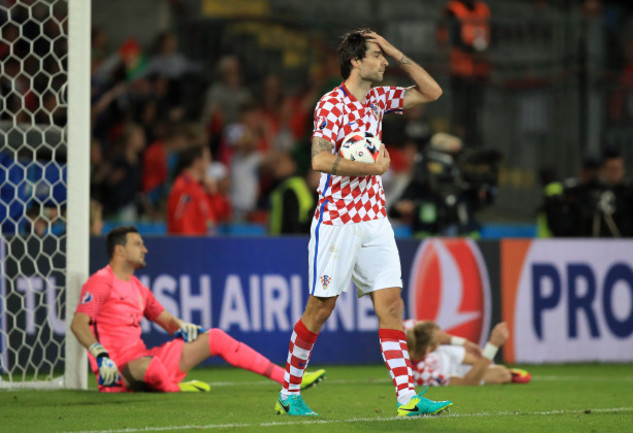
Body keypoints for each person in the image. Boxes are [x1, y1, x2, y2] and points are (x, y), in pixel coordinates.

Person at [275, 28, 451, 417]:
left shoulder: (377, 99)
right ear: (356, 61)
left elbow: (432, 91)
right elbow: (319, 162)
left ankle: (408, 399)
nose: (384, 62)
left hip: (374, 217)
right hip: (337, 221)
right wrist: (372, 167)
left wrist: (390, 45)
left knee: (391, 303)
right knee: (320, 309)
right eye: (376, 55)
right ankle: (289, 393)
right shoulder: (330, 105)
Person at [70, 226, 326, 393]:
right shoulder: (101, 282)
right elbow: (79, 324)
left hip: (144, 359)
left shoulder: (138, 288)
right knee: (152, 368)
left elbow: (167, 320)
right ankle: (175, 387)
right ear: (119, 250)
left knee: (214, 337)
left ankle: (290, 378)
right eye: (138, 244)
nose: (145, 249)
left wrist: (183, 327)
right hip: (117, 371)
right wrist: (100, 354)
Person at [405, 320, 531, 386]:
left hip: (449, 357)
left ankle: (484, 366)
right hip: (454, 373)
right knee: (502, 374)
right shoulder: (423, 375)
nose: (442, 339)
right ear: (428, 349)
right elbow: (466, 383)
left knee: (485, 363)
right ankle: (488, 369)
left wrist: (464, 343)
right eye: (438, 342)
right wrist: (492, 346)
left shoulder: (409, 328)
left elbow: (436, 335)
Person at [442, 0, 491, 148]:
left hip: (479, 72)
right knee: (460, 113)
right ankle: (457, 146)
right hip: (460, 71)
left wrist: (483, 52)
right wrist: (475, 50)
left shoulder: (483, 8)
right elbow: (453, 39)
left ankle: (473, 147)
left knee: (475, 113)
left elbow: (491, 35)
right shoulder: (453, 9)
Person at [166, 144, 215, 235]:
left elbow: (209, 218)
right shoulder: (184, 187)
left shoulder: (198, 187)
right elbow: (182, 226)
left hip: (203, 245)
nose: (210, 163)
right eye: (207, 158)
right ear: (197, 162)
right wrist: (190, 247)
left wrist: (213, 195)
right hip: (191, 247)